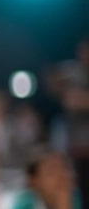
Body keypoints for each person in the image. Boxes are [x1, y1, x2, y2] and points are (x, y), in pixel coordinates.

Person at [46, 34, 89, 205]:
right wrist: (58, 84)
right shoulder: (72, 72)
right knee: (80, 194)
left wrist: (83, 100)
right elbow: (51, 83)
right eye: (83, 52)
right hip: (78, 149)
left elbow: (79, 101)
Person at [11, 145, 82, 209]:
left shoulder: (78, 198)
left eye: (64, 168)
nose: (61, 176)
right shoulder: (24, 205)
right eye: (51, 172)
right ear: (33, 181)